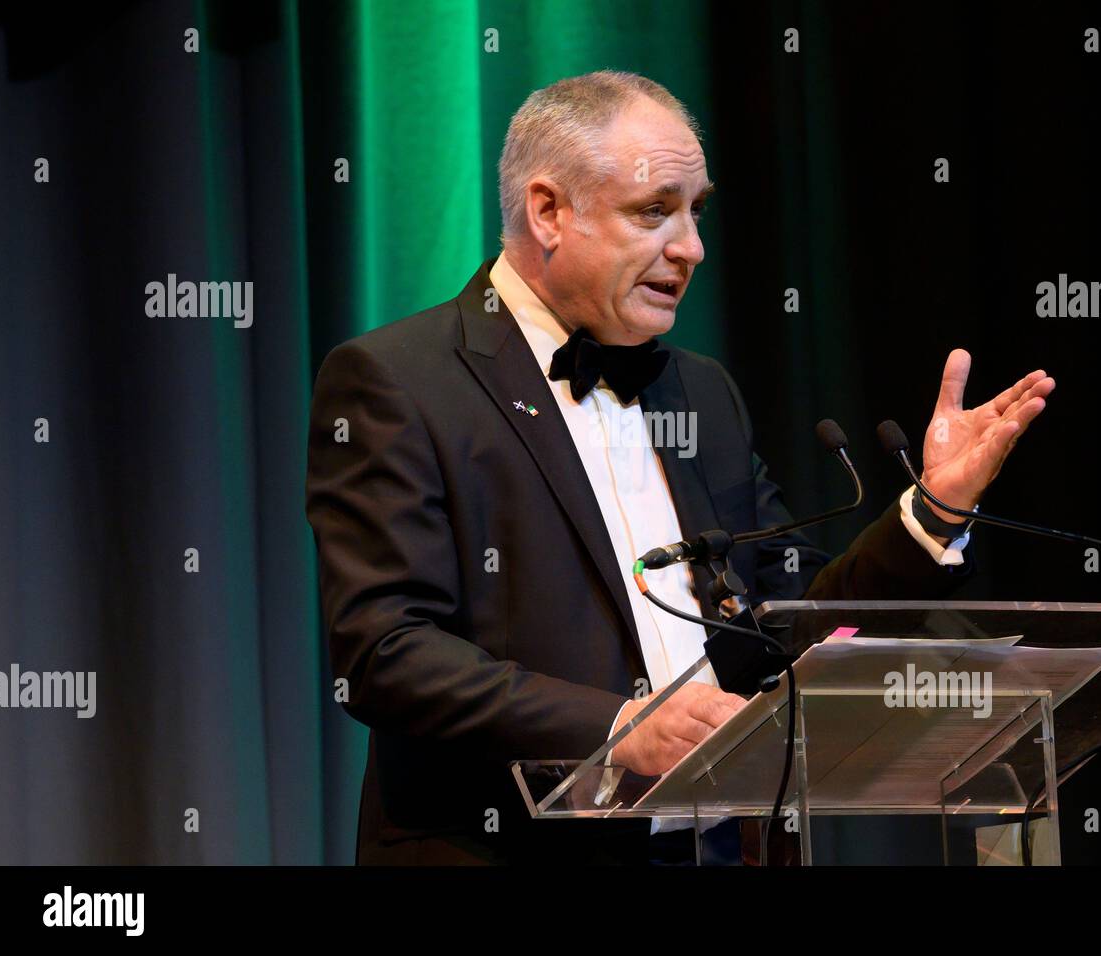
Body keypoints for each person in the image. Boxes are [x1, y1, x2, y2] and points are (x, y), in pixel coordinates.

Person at [304, 70, 1054, 865]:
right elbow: (386, 651)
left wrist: (931, 512)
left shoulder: (699, 390)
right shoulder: (398, 380)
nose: (691, 246)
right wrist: (618, 727)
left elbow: (786, 620)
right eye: (655, 211)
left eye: (697, 212)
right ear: (548, 211)